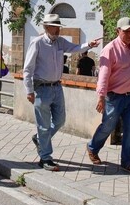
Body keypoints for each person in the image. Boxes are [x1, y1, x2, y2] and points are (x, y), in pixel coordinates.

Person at [23, 14, 100, 171]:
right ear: (46, 27)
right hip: (41, 88)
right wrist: (29, 90)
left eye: (59, 26)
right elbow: (27, 69)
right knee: (43, 126)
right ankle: (45, 158)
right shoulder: (37, 43)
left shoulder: (60, 42)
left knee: (60, 120)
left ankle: (40, 139)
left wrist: (88, 45)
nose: (58, 29)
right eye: (55, 26)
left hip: (57, 88)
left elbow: (75, 48)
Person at [86, 17, 130, 175]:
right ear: (118, 31)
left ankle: (127, 162)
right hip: (114, 97)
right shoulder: (110, 49)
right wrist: (101, 96)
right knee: (108, 126)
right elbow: (104, 75)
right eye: (126, 31)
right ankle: (92, 148)